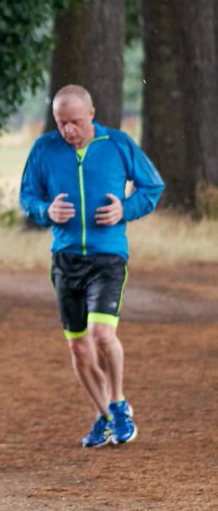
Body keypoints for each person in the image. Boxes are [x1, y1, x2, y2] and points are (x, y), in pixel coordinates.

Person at [20, 84, 164, 448]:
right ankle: (103, 416)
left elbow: (152, 187)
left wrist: (125, 210)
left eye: (75, 122)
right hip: (65, 258)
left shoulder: (117, 144)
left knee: (102, 337)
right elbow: (28, 196)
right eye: (61, 123)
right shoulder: (45, 149)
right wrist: (45, 211)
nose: (68, 130)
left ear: (92, 114)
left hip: (108, 255)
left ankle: (118, 403)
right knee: (79, 349)